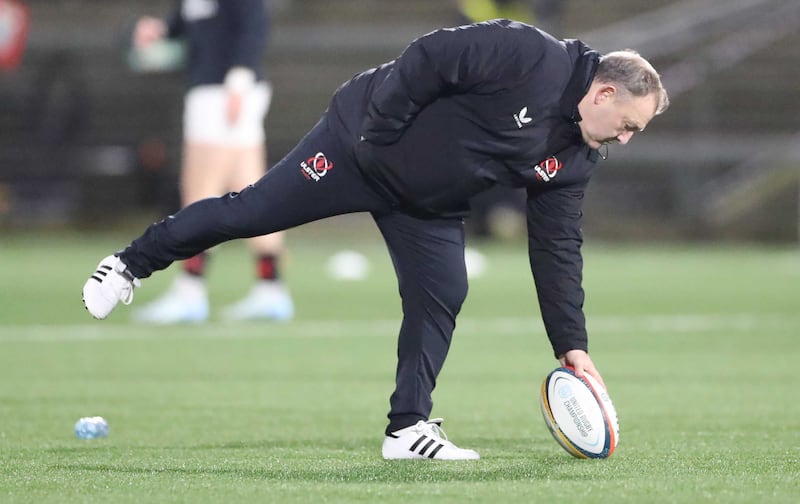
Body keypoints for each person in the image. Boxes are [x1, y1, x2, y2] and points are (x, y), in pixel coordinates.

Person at [83, 19, 669, 460]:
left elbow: (557, 248)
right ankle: (129, 266)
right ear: (603, 94)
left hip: (429, 206)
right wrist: (380, 129)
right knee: (249, 212)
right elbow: (431, 56)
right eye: (629, 126)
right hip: (355, 150)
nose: (626, 139)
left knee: (443, 293)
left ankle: (408, 429)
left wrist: (572, 344)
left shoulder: (577, 158)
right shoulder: (530, 56)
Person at [130, 0, 294, 323]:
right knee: (253, 194)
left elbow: (254, 21)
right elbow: (189, 21)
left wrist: (238, 80)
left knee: (199, 192)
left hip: (221, 94)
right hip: (221, 92)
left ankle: (190, 290)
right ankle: (271, 287)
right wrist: (161, 30)